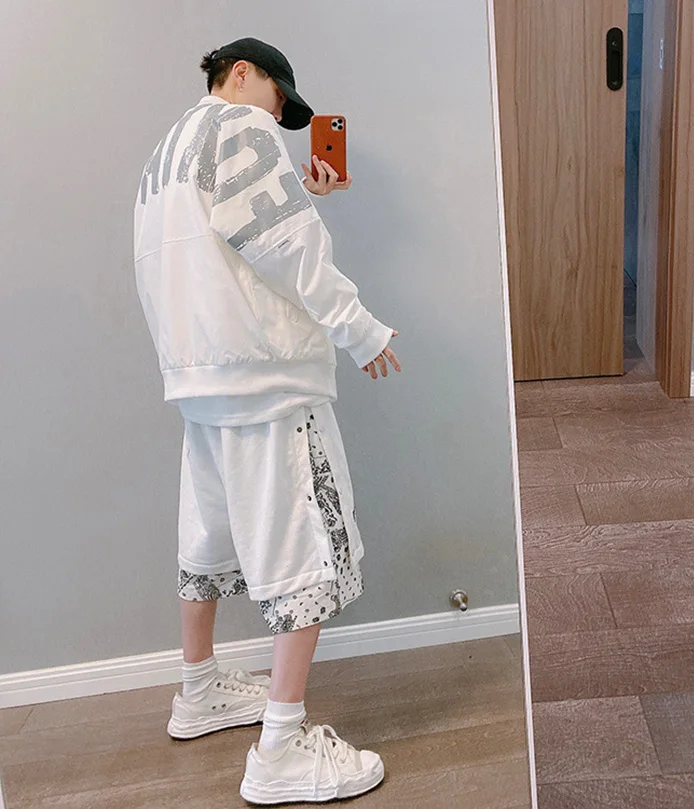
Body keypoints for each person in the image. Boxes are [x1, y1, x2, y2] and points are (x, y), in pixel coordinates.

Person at [133, 36, 401, 805]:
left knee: (209, 531)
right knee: (304, 547)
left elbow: (215, 245)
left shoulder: (165, 155)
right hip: (267, 376)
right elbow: (285, 241)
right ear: (241, 72)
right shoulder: (238, 127)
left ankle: (198, 689)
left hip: (200, 376)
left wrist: (301, 193)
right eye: (277, 97)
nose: (278, 114)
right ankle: (280, 749)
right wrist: (359, 329)